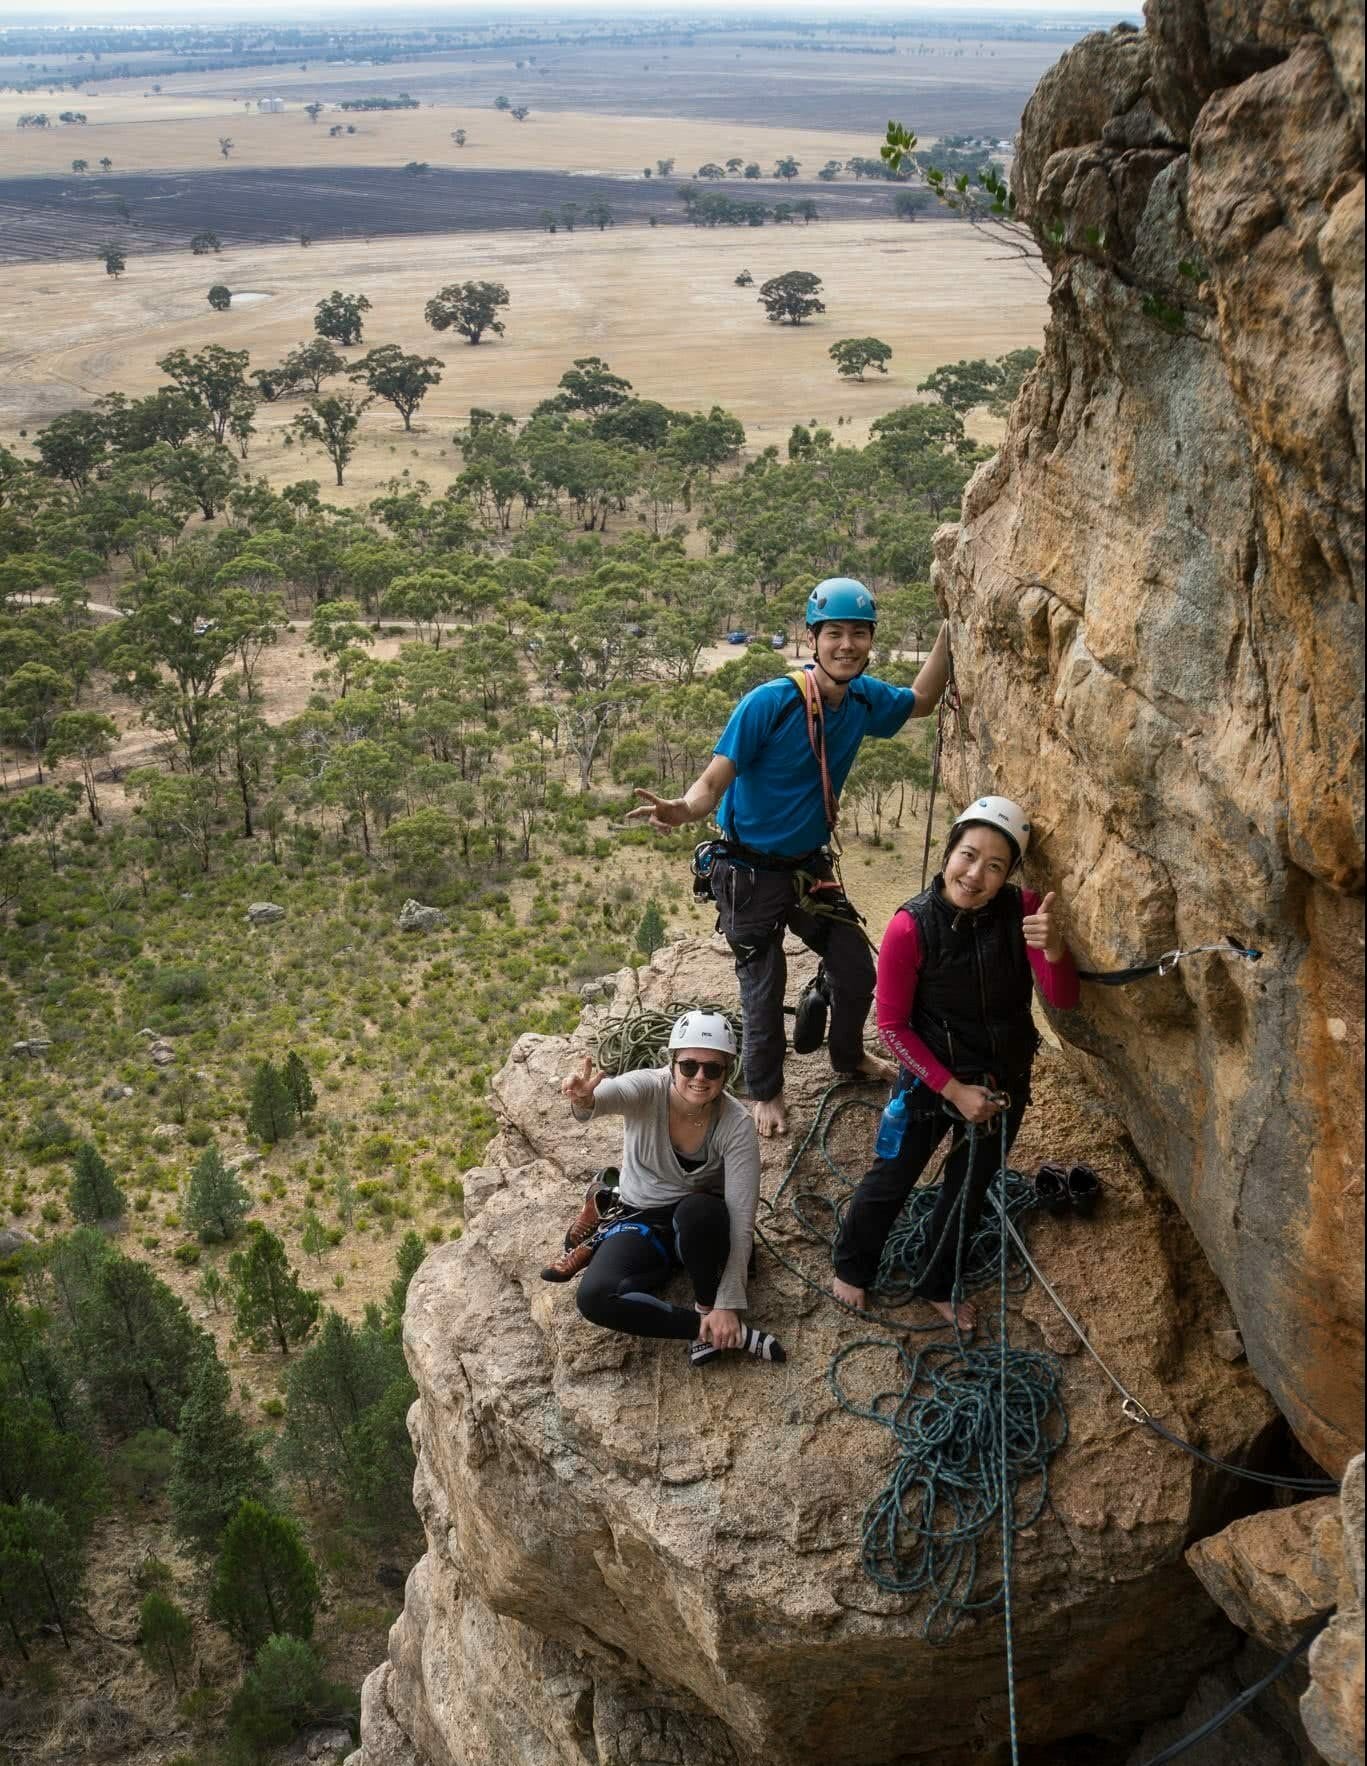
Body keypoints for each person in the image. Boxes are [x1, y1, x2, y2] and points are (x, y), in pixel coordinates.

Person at [629, 579, 953, 1139]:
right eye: (835, 634)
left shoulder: (865, 699)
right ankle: (766, 1090)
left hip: (807, 868)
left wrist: (955, 624)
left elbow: (921, 702)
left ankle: (848, 1056)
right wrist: (683, 810)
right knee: (763, 980)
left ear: (870, 641)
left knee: (856, 968)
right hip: (748, 873)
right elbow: (713, 781)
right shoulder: (769, 703)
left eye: (858, 634)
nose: (846, 645)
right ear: (813, 638)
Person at [831, 796, 1079, 1330]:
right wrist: (951, 1090)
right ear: (949, 852)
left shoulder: (1025, 911)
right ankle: (852, 1266)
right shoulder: (910, 926)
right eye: (968, 855)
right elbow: (892, 1028)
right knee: (893, 1175)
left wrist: (1055, 949)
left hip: (1000, 1083)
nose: (975, 874)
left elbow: (1062, 999)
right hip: (929, 1081)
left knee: (968, 1189)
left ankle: (937, 1283)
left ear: (1010, 874)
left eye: (995, 865)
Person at [558, 1010, 785, 1366]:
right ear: (672, 1063)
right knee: (594, 1298)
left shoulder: (736, 1125)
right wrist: (587, 1099)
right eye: (689, 1065)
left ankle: (707, 1305)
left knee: (700, 1212)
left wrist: (728, 1301)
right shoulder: (648, 1088)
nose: (700, 1077)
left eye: (713, 1069)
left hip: (699, 1230)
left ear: (727, 1071)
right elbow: (610, 1094)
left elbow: (741, 1218)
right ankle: (711, 1331)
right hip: (641, 1220)